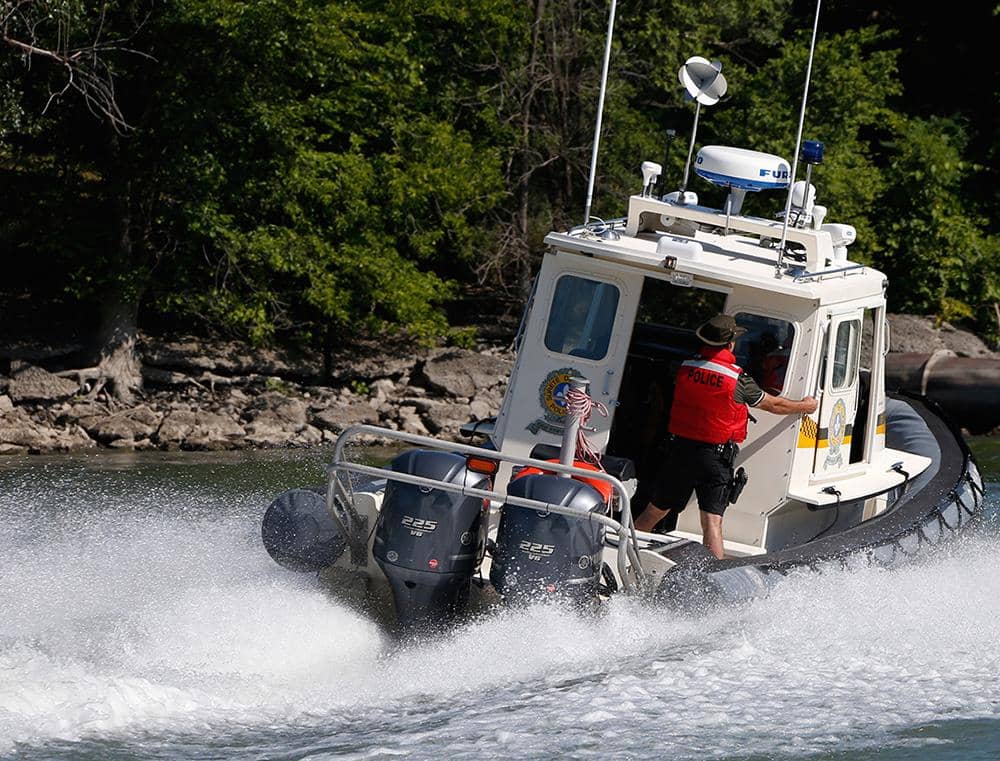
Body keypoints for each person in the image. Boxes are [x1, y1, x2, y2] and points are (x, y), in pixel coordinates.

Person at [634, 313, 818, 559]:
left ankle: (625, 552)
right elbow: (774, 405)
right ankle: (714, 576)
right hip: (714, 458)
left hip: (680, 452)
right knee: (711, 523)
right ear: (730, 344)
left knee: (655, 510)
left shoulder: (685, 367)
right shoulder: (736, 379)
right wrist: (805, 407)